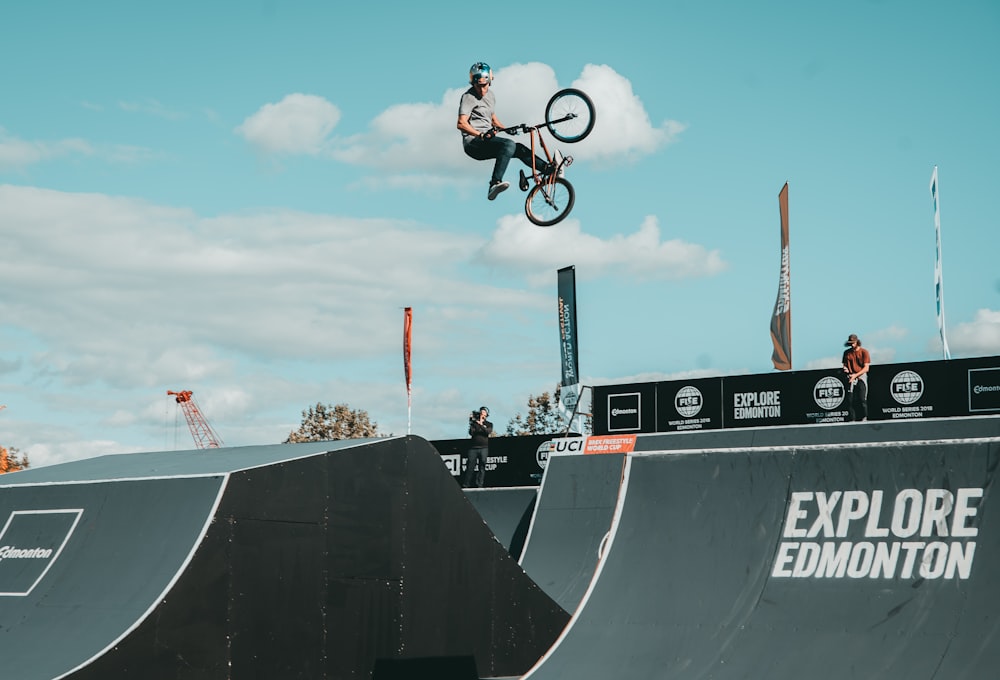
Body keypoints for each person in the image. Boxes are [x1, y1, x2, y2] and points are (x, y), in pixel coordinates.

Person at [457, 62, 565, 201]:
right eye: (478, 86)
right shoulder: (468, 97)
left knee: (518, 148)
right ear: (473, 83)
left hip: (485, 139)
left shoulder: (491, 96)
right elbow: (461, 123)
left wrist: (507, 129)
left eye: (484, 86)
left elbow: (492, 118)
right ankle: (494, 184)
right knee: (508, 145)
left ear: (490, 81)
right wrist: (480, 134)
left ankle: (549, 171)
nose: (481, 90)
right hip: (473, 144)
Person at [842, 333, 871, 421]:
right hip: (850, 377)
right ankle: (852, 420)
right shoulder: (847, 353)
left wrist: (856, 375)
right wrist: (846, 369)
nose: (852, 345)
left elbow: (866, 368)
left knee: (862, 399)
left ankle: (864, 417)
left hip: (861, 376)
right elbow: (844, 365)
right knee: (850, 401)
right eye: (850, 343)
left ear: (857, 342)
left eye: (853, 343)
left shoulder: (864, 352)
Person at [463, 405, 493, 488]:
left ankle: (479, 484)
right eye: (481, 412)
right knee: (470, 466)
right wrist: (472, 422)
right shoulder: (474, 424)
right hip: (473, 448)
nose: (482, 414)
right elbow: (471, 433)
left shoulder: (489, 424)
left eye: (484, 413)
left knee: (482, 466)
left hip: (484, 448)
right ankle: (466, 484)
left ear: (486, 414)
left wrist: (481, 425)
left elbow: (487, 432)